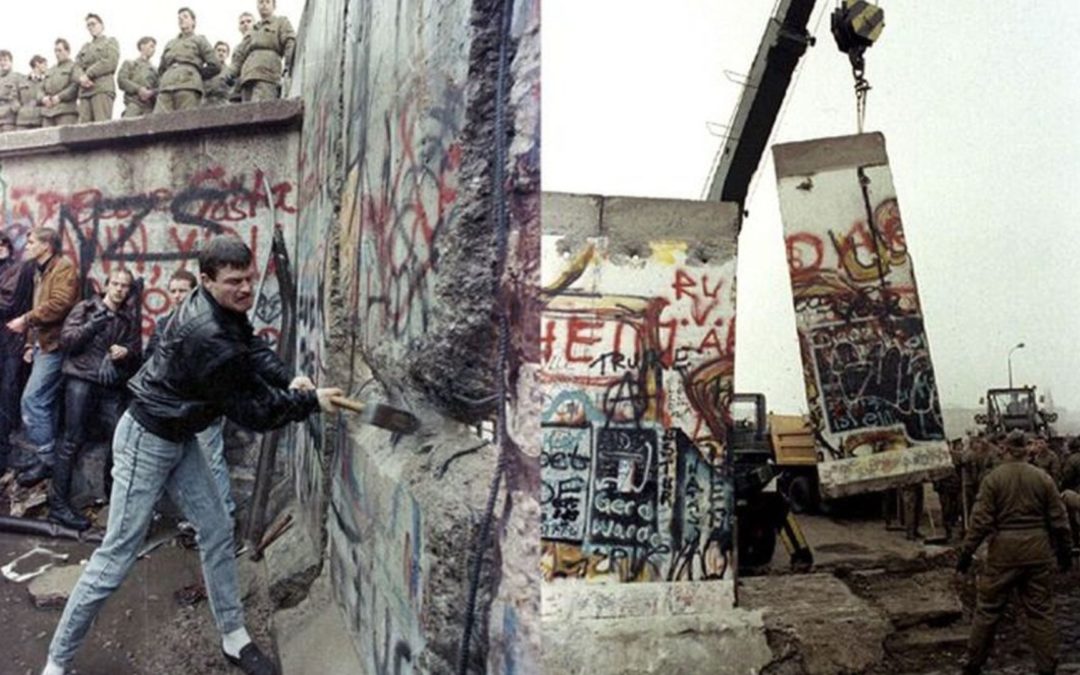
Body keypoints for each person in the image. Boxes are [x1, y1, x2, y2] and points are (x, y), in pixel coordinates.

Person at [40, 236, 341, 675]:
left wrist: (292, 378)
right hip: (147, 440)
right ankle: (56, 663)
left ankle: (234, 638)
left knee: (217, 529)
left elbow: (252, 347)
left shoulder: (222, 309)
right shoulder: (206, 334)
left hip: (180, 435)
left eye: (249, 279)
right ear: (206, 280)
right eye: (235, 281)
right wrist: (309, 403)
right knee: (115, 558)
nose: (245, 289)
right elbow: (255, 411)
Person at [956, 429, 1072, 675]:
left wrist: (966, 554)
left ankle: (973, 664)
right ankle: (1047, 667)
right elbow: (1059, 520)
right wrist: (1065, 553)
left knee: (987, 609)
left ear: (1006, 450)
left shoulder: (993, 479)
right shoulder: (1043, 478)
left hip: (1004, 552)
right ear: (1026, 450)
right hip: (1038, 550)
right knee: (1041, 612)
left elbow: (980, 522)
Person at [48, 268, 141, 530]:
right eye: (116, 284)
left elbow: (137, 352)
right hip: (80, 380)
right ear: (107, 285)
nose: (120, 290)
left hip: (109, 385)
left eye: (125, 286)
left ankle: (114, 504)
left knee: (120, 441)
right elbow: (66, 342)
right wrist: (92, 326)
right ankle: (58, 506)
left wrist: (126, 352)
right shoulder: (86, 309)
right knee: (71, 440)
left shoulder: (127, 318)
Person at [146, 268, 234, 517]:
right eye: (172, 291)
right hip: (171, 405)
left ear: (194, 292)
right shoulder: (165, 324)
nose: (176, 296)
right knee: (164, 460)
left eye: (182, 291)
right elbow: (150, 361)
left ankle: (225, 518)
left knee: (211, 463)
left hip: (201, 405)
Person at [8, 228, 79, 487]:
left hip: (55, 347)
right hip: (42, 345)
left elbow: (60, 304)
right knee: (45, 403)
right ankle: (45, 458)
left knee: (33, 401)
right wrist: (30, 343)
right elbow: (39, 306)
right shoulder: (42, 270)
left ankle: (48, 461)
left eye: (31, 242)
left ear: (47, 245)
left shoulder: (63, 269)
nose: (26, 246)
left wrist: (25, 320)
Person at [0, 232, 35, 475]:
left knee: (7, 394)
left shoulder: (17, 269)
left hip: (10, 340)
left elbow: (9, 303)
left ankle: (3, 456)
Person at [155, 7, 221, 113]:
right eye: (179, 18)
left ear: (193, 21)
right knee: (159, 122)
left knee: (185, 121)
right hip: (166, 87)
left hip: (188, 86)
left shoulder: (200, 40)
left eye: (185, 17)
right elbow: (161, 69)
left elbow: (215, 66)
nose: (181, 19)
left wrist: (196, 74)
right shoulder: (170, 43)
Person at [234, 0, 295, 102]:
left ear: (274, 6)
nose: (264, 5)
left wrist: (288, 65)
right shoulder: (253, 29)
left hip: (267, 74)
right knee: (247, 113)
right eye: (261, 2)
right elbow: (239, 55)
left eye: (267, 2)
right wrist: (230, 73)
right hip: (247, 77)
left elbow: (290, 42)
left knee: (261, 110)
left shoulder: (281, 22)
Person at [74, 13, 119, 123]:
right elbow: (76, 66)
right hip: (85, 91)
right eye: (88, 25)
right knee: (83, 128)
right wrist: (80, 78)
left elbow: (110, 62)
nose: (91, 27)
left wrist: (88, 74)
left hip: (102, 89)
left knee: (101, 126)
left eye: (93, 24)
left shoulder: (110, 42)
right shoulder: (85, 47)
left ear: (102, 25)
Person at [41, 40, 79, 127]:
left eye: (60, 50)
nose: (57, 54)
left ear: (68, 51)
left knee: (67, 139)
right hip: (48, 113)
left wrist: (60, 97)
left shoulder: (74, 67)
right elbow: (41, 88)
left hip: (66, 112)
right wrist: (44, 98)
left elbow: (75, 86)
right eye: (55, 51)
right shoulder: (51, 70)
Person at [117, 37, 158, 118]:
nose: (154, 49)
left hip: (149, 106)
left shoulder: (155, 70)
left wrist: (151, 93)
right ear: (142, 46)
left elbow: (159, 87)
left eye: (154, 47)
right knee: (125, 126)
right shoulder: (130, 64)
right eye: (151, 46)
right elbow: (121, 80)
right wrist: (139, 89)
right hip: (134, 102)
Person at [16, 55, 48, 130]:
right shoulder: (21, 80)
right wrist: (18, 109)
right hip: (23, 121)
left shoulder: (47, 81)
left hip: (40, 120)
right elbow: (14, 97)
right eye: (45, 65)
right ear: (37, 64)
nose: (46, 68)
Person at [203, 42, 232, 106]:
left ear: (227, 55)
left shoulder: (230, 71)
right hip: (206, 103)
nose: (221, 53)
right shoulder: (206, 70)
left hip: (222, 103)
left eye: (224, 51)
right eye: (219, 50)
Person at [0, 50, 22, 133]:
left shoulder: (17, 77)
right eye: (0, 60)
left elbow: (20, 98)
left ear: (11, 62)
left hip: (9, 120)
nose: (2, 63)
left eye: (5, 60)